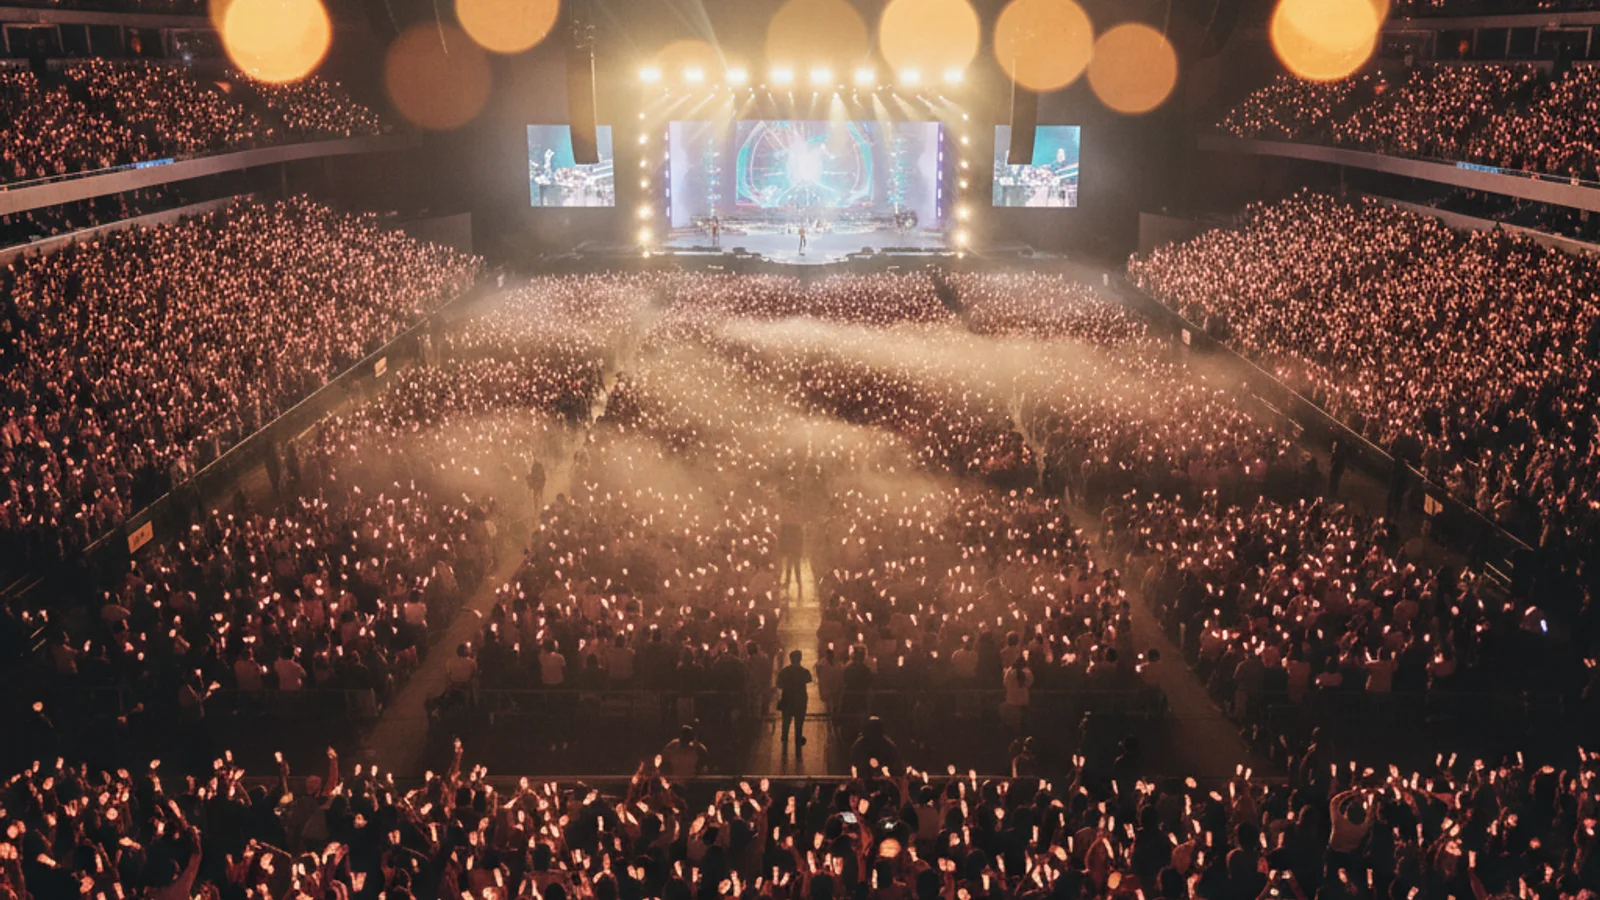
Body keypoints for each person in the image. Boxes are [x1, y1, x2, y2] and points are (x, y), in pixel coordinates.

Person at [776, 649, 812, 752]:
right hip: (801, 699)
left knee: (786, 721)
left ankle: (784, 738)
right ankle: (798, 739)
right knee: (799, 722)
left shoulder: (784, 672)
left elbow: (779, 684)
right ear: (800, 659)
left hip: (787, 698)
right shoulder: (804, 672)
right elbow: (809, 680)